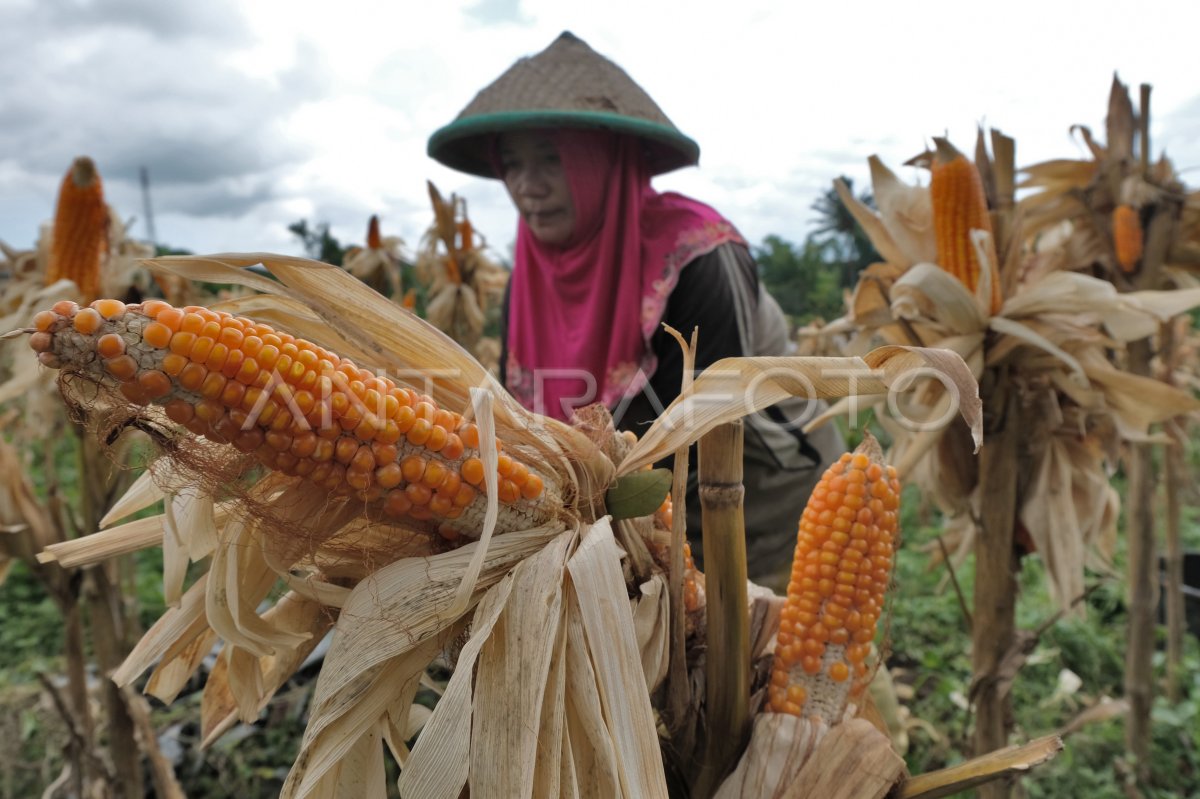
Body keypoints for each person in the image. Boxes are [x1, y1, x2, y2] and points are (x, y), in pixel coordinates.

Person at [427, 31, 844, 591]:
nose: (528, 187)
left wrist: (579, 530)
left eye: (552, 159)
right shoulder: (533, 266)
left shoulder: (700, 255)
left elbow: (699, 430)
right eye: (514, 163)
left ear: (604, 163)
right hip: (617, 527)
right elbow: (515, 412)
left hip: (752, 511)